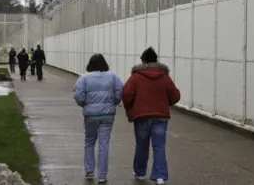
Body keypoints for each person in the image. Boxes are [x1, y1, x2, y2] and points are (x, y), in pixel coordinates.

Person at [122, 47, 180, 185]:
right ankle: (160, 176)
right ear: (156, 60)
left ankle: (140, 172)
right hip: (160, 117)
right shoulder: (165, 76)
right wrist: (166, 103)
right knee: (159, 146)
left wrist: (130, 108)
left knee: (141, 144)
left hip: (141, 117)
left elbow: (126, 94)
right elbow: (175, 95)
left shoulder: (136, 76)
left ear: (143, 60)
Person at [73, 54, 123, 184]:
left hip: (90, 115)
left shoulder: (83, 78)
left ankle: (89, 171)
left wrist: (84, 105)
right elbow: (119, 92)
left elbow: (78, 96)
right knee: (104, 144)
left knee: (89, 141)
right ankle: (102, 176)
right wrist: (114, 103)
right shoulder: (113, 77)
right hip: (107, 115)